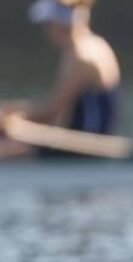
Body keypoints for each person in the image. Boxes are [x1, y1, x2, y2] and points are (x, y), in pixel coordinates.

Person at [0, 0, 120, 158]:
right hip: (82, 138)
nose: (47, 31)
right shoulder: (95, 44)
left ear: (59, 24)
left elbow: (50, 111)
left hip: (86, 145)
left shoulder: (81, 56)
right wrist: (11, 111)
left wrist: (10, 117)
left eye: (48, 24)